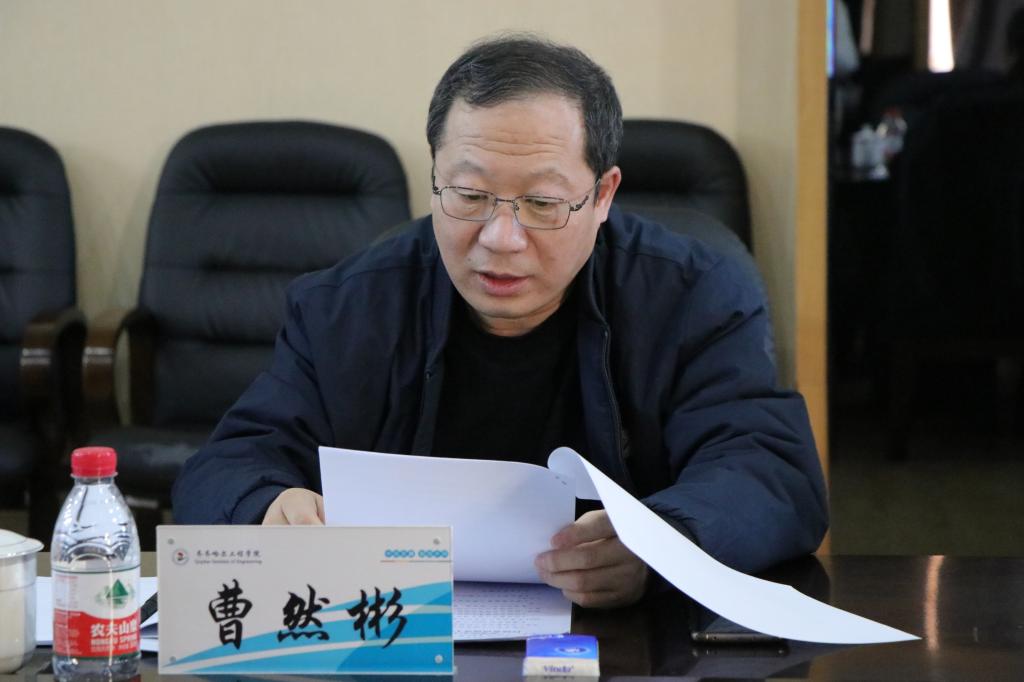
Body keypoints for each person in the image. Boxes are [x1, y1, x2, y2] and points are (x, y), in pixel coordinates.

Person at [173, 35, 828, 608]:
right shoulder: (345, 308)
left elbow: (771, 471)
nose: (500, 238)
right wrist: (265, 508)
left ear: (602, 195)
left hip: (626, 643)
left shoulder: (691, 295)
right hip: (400, 634)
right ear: (435, 178)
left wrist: (660, 544)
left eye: (542, 203)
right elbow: (223, 467)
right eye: (469, 195)